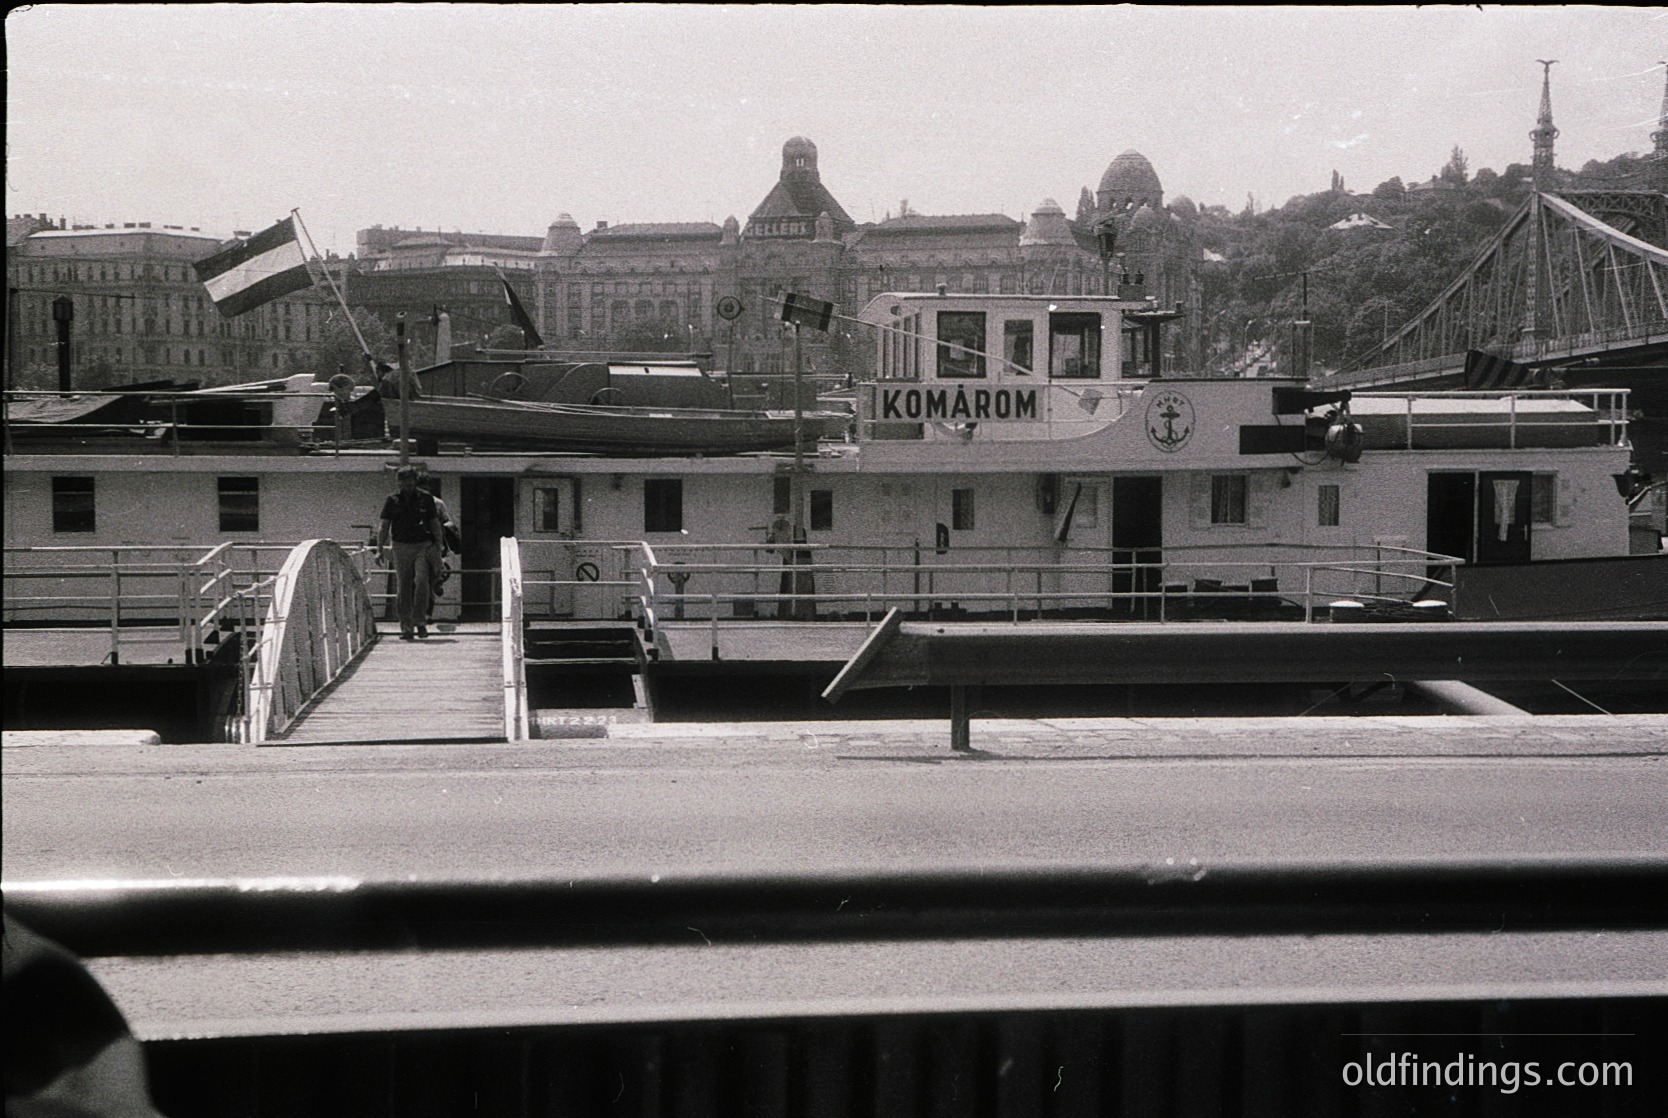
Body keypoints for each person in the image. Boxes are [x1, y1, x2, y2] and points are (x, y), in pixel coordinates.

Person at [377, 466, 444, 640]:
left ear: (415, 482)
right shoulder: (392, 500)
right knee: (404, 587)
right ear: (398, 482)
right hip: (400, 546)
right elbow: (384, 526)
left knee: (422, 582)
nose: (407, 488)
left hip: (423, 545)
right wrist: (379, 550)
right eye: (404, 484)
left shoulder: (426, 498)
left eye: (410, 484)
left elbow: (434, 522)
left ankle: (420, 622)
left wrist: (438, 544)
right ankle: (406, 627)